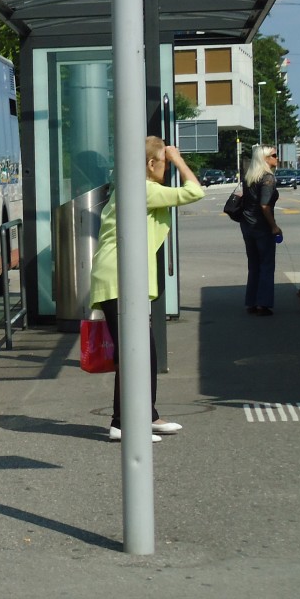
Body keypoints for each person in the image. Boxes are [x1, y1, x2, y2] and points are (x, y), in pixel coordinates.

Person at [88, 137, 204, 442]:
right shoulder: (145, 189)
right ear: (151, 164)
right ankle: (127, 422)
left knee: (139, 352)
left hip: (122, 278)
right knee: (136, 353)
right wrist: (179, 159)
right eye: (164, 162)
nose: (167, 167)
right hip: (119, 279)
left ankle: (139, 416)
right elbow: (195, 191)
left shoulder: (134, 187)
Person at [240, 145, 282, 316]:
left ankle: (251, 302)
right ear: (265, 159)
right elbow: (264, 205)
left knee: (254, 265)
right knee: (266, 265)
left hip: (247, 225)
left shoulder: (250, 177)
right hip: (262, 226)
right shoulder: (268, 179)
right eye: (273, 155)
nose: (276, 158)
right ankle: (262, 304)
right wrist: (274, 226)